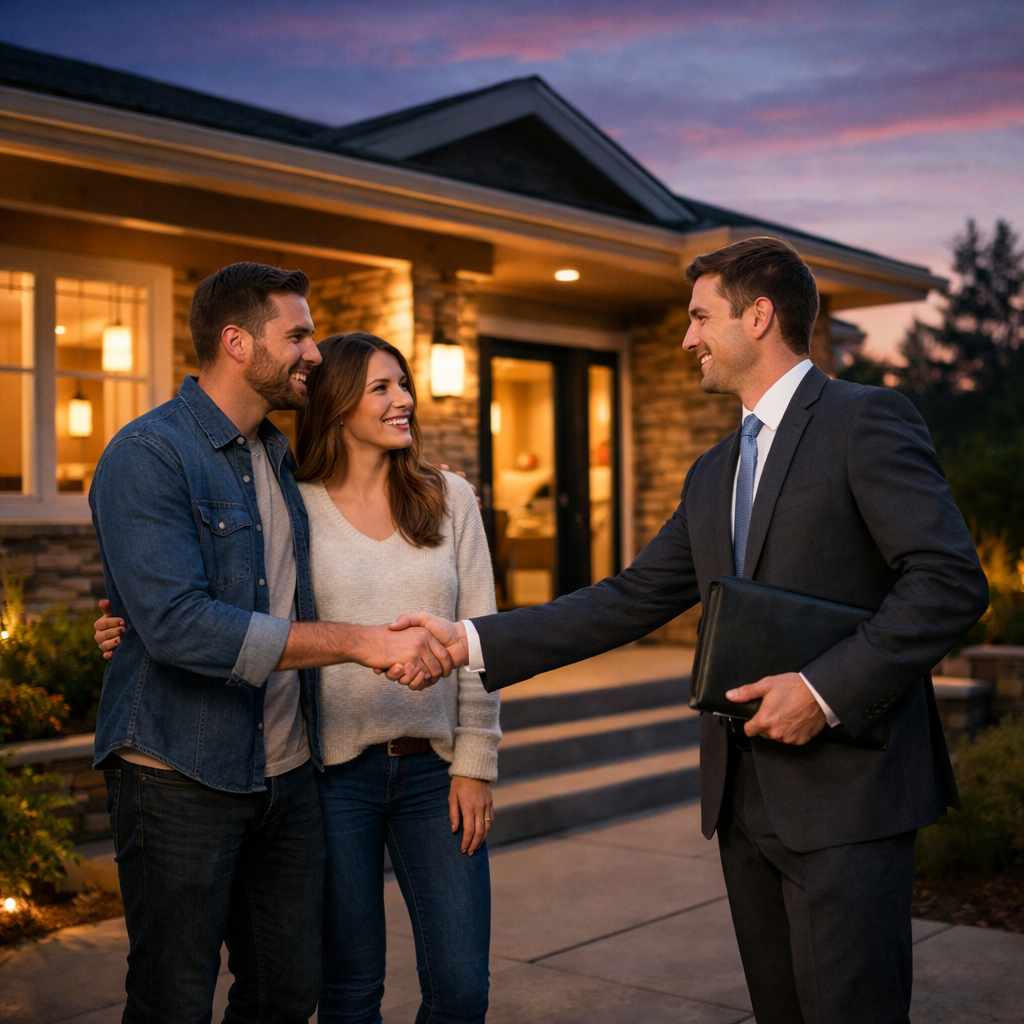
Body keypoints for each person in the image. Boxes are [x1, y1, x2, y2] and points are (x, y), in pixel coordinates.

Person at [392, 237, 990, 1024]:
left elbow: (949, 582)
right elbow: (629, 597)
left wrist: (823, 690)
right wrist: (467, 640)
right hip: (744, 806)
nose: (687, 339)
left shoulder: (865, 421)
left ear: (760, 316)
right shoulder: (713, 469)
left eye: (700, 317)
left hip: (850, 800)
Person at [89, 263, 456, 1024]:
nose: (313, 354)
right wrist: (357, 643)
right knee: (173, 999)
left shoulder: (280, 457)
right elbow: (179, 624)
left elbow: (286, 583)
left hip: (285, 776)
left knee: (287, 995)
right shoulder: (148, 454)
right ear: (235, 342)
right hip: (178, 774)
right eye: (298, 335)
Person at [295, 332, 499, 1022]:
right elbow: (247, 621)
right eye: (381, 387)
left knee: (462, 990)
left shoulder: (450, 498)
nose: (403, 400)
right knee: (349, 994)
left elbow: (483, 635)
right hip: (331, 779)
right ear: (337, 401)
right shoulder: (295, 506)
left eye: (403, 384)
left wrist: (476, 762)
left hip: (433, 777)